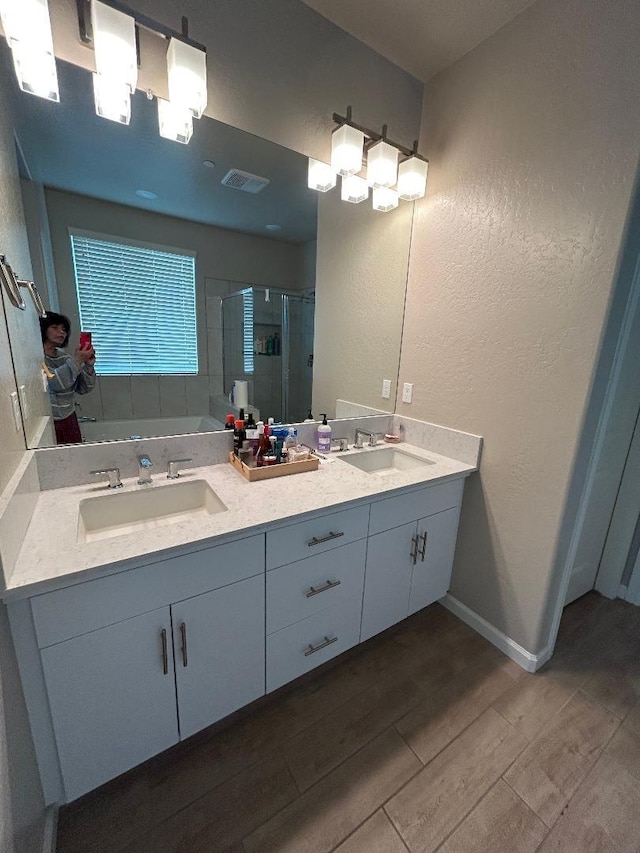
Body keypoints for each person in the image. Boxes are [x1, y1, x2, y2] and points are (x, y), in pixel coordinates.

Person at [40, 311, 96, 444]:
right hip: (51, 421)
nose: (62, 332)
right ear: (42, 329)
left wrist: (88, 367)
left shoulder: (65, 358)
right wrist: (77, 361)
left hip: (69, 417)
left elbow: (83, 388)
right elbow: (54, 382)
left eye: (64, 329)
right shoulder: (37, 358)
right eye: (55, 327)